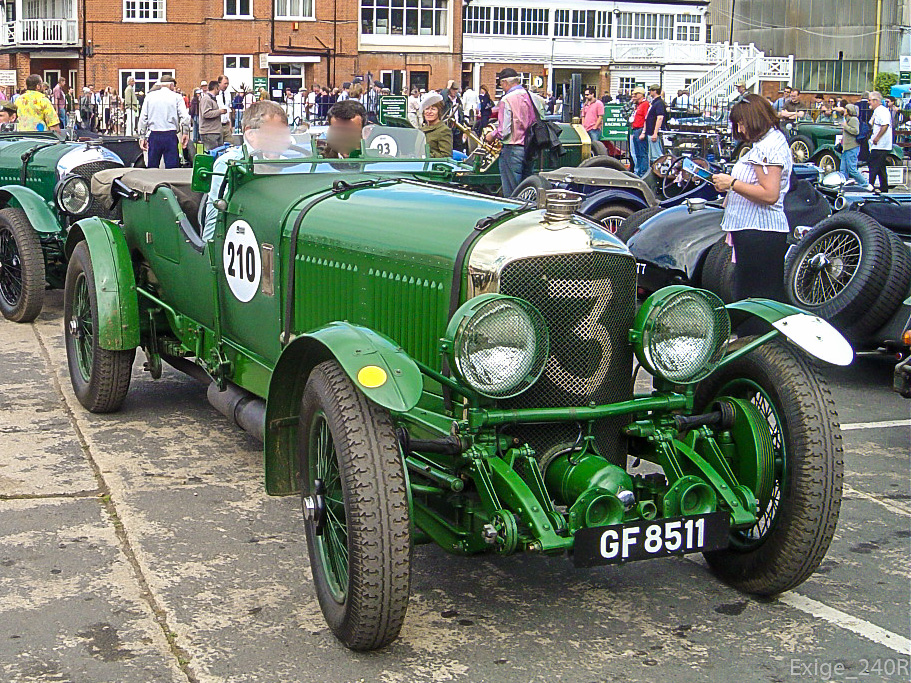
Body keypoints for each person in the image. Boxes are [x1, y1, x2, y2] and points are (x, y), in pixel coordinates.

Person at [711, 94, 792, 312]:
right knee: (751, 294)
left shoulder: (768, 147)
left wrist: (732, 183)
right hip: (753, 229)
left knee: (756, 298)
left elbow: (769, 194)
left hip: (759, 230)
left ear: (753, 119)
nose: (740, 129)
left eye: (741, 123)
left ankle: (757, 342)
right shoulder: (767, 143)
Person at [204, 100, 294, 241]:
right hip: (238, 237)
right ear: (251, 133)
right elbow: (217, 214)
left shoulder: (290, 163)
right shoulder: (229, 162)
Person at [484, 68, 537, 196]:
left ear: (505, 83)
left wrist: (491, 135)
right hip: (531, 147)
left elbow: (504, 131)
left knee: (512, 193)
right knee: (526, 191)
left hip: (513, 148)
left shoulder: (506, 100)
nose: (502, 87)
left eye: (501, 85)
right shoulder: (533, 97)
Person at [138, 75, 191, 169]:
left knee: (152, 168)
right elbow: (185, 117)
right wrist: (185, 132)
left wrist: (142, 136)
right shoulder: (177, 97)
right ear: (171, 85)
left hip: (154, 134)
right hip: (170, 135)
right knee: (172, 168)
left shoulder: (150, 97)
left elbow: (143, 118)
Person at [839, 103, 872, 190]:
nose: (844, 111)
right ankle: (844, 184)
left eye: (845, 109)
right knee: (843, 169)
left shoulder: (853, 119)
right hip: (846, 147)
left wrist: (846, 127)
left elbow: (855, 131)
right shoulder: (847, 119)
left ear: (849, 111)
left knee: (852, 169)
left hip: (852, 147)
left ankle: (865, 184)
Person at [867, 91, 892, 193]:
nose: (869, 103)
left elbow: (885, 125)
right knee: (881, 168)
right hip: (877, 145)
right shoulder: (877, 111)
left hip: (880, 145)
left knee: (873, 166)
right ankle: (884, 188)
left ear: (876, 100)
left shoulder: (882, 111)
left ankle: (870, 186)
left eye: (870, 100)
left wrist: (877, 137)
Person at [420, 92, 452, 158]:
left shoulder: (443, 130)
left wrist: (426, 156)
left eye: (433, 109)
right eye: (427, 109)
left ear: (439, 112)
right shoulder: (421, 129)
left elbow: (446, 156)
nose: (429, 112)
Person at [198, 80, 227, 151]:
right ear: (216, 88)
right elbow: (206, 114)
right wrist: (219, 111)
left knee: (218, 153)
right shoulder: (206, 99)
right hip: (209, 132)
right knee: (213, 154)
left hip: (214, 131)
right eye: (219, 88)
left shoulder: (211, 99)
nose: (220, 91)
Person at [630, 86, 649, 176]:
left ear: (641, 95)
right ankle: (638, 171)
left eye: (635, 94)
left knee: (642, 153)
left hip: (640, 129)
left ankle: (643, 172)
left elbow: (646, 119)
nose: (633, 96)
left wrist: (643, 132)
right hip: (635, 129)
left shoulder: (645, 104)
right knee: (637, 153)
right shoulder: (638, 105)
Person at [644, 84, 666, 164]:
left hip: (653, 131)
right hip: (650, 131)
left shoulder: (659, 103)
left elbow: (660, 118)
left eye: (650, 90)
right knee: (653, 155)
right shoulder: (655, 103)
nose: (649, 92)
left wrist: (655, 133)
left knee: (656, 156)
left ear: (655, 91)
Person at [216, 75, 232, 141]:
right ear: (219, 83)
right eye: (225, 83)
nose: (226, 85)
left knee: (230, 143)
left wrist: (230, 123)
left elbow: (229, 109)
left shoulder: (228, 93)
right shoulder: (215, 94)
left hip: (226, 124)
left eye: (227, 83)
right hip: (217, 125)